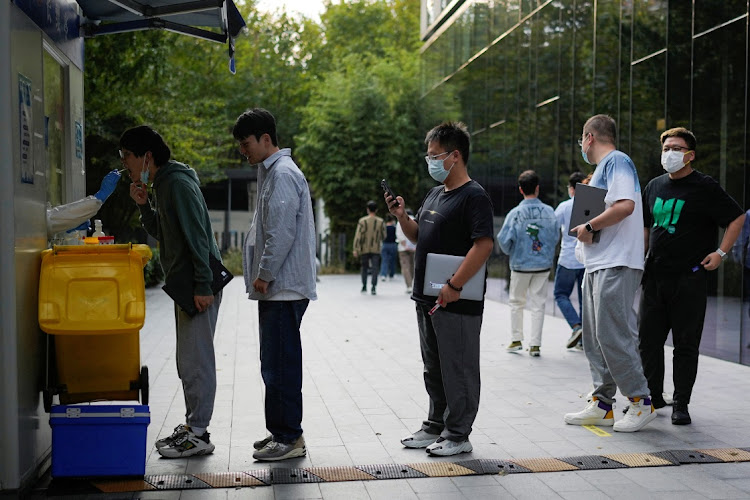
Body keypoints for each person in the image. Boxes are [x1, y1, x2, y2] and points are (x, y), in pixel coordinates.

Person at [386, 121, 494, 456]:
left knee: (458, 367)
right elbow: (421, 236)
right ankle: (435, 425)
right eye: (429, 156)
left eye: (435, 156)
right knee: (433, 365)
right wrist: (403, 217)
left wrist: (454, 284)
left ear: (456, 156)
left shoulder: (474, 196)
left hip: (455, 299)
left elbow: (484, 245)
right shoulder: (436, 193)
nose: (430, 162)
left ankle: (459, 434)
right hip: (427, 297)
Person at [122, 125, 222, 457]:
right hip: (188, 283)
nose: (127, 166)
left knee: (196, 360)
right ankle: (194, 427)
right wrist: (144, 206)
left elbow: (198, 236)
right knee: (187, 359)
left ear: (146, 156)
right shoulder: (163, 184)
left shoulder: (177, 183)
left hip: (198, 283)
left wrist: (204, 285)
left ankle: (198, 433)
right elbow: (164, 232)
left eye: (128, 158)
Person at [639, 127, 744, 425]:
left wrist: (721, 253)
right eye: (665, 148)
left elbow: (737, 217)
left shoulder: (705, 187)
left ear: (689, 154)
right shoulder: (654, 186)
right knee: (648, 341)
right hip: (654, 276)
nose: (669, 153)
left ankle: (681, 403)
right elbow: (647, 229)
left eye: (675, 148)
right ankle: (652, 397)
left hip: (690, 277)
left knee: (685, 344)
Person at [233, 108, 317, 461]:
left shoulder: (282, 174)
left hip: (281, 287)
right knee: (275, 362)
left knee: (280, 364)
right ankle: (280, 432)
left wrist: (264, 274)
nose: (243, 151)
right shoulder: (273, 172)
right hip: (277, 288)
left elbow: (280, 233)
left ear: (266, 139)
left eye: (247, 143)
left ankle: (289, 437)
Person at [564, 114, 656, 432]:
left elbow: (625, 205)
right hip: (598, 262)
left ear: (589, 137)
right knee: (594, 337)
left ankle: (640, 402)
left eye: (581, 139)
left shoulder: (617, 161)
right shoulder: (602, 170)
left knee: (611, 335)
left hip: (616, 263)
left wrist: (588, 225)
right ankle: (603, 404)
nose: (581, 145)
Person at [497, 170, 559, 357]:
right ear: (537, 188)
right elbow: (555, 237)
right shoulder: (549, 212)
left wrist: (512, 252)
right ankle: (535, 345)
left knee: (517, 302)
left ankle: (516, 339)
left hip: (521, 265)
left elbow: (504, 239)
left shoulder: (515, 214)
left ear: (520, 189)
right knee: (538, 303)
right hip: (542, 265)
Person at [554, 171, 587, 349]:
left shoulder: (564, 206)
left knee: (560, 294)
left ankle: (576, 326)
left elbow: (552, 226)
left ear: (573, 189)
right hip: (585, 259)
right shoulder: (590, 205)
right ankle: (582, 340)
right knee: (584, 301)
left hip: (567, 257)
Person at [353, 201, 385, 295]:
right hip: (376, 248)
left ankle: (364, 285)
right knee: (375, 268)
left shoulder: (362, 221)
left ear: (367, 209)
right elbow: (384, 236)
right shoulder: (380, 221)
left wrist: (355, 248)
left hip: (364, 248)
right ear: (376, 210)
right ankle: (373, 287)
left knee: (364, 267)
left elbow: (358, 236)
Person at [397, 209, 417, 293]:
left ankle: (408, 285)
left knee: (405, 267)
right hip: (414, 247)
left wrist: (405, 245)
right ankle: (412, 282)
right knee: (412, 266)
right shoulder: (415, 220)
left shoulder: (400, 221)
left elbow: (399, 234)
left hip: (403, 248)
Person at [380, 216, 398, 281]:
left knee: (384, 260)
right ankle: (391, 274)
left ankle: (383, 275)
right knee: (392, 260)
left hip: (385, 244)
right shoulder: (394, 228)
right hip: (393, 244)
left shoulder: (384, 228)